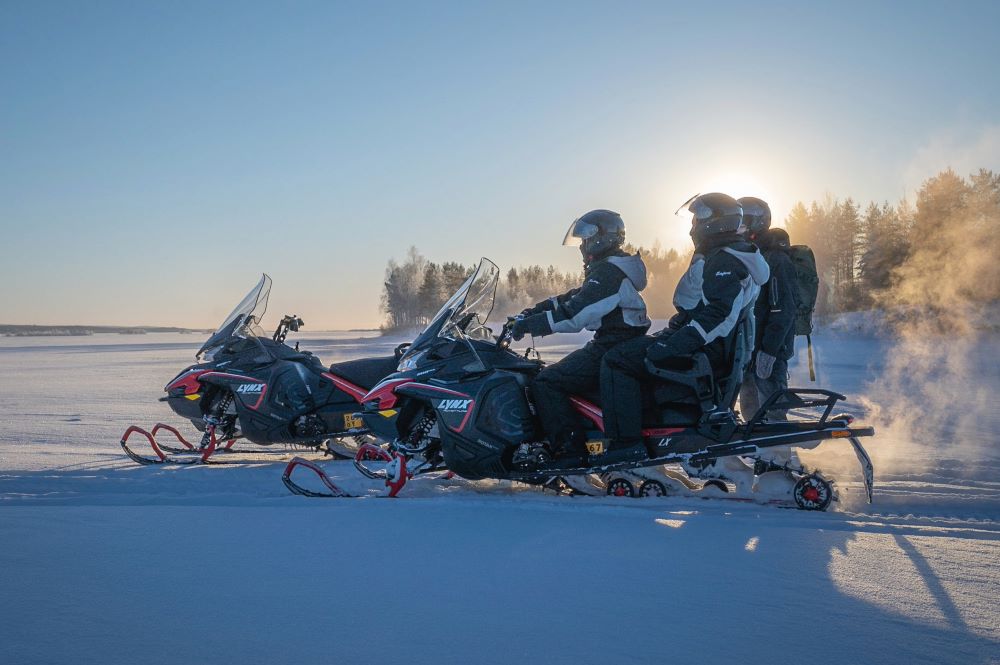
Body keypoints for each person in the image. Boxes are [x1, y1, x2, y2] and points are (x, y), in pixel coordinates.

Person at [599, 193, 769, 459]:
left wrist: (674, 343)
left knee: (616, 360)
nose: (693, 227)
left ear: (716, 223)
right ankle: (649, 426)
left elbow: (719, 315)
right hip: (710, 348)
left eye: (697, 219)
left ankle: (625, 444)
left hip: (705, 352)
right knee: (631, 353)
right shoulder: (727, 254)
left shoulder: (725, 260)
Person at [509, 209, 650, 466]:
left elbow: (576, 314)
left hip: (613, 344)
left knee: (546, 382)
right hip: (617, 342)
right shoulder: (610, 269)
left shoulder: (609, 273)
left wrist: (530, 325)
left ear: (602, 237)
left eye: (585, 238)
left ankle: (570, 452)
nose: (582, 245)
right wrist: (533, 311)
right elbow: (572, 298)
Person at [737, 196, 799, 423]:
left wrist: (770, 350)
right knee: (750, 408)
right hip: (748, 347)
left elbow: (783, 308)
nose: (740, 227)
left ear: (758, 222)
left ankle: (780, 456)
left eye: (744, 221)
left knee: (772, 408)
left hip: (769, 349)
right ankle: (759, 453)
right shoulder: (751, 256)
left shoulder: (776, 259)